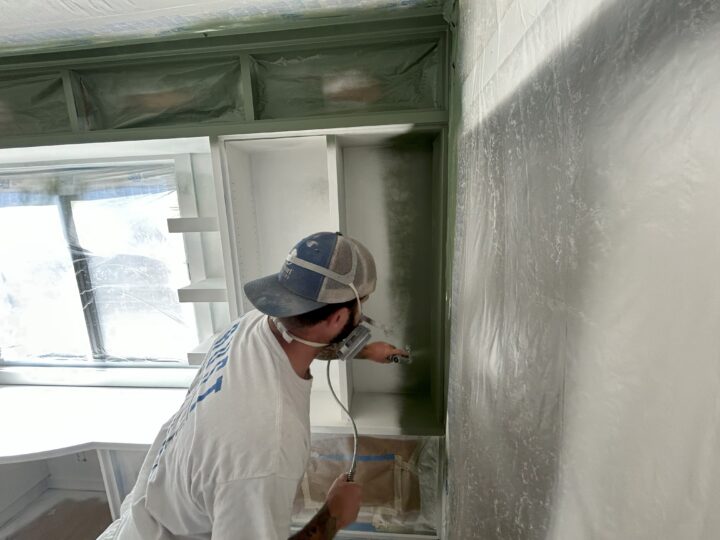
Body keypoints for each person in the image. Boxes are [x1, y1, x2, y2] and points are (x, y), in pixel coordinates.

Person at [98, 231, 407, 540]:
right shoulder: (267, 450)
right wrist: (333, 515)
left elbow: (305, 338)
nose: (362, 314)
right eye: (360, 305)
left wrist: (363, 349)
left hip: (135, 523)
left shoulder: (248, 325)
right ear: (339, 317)